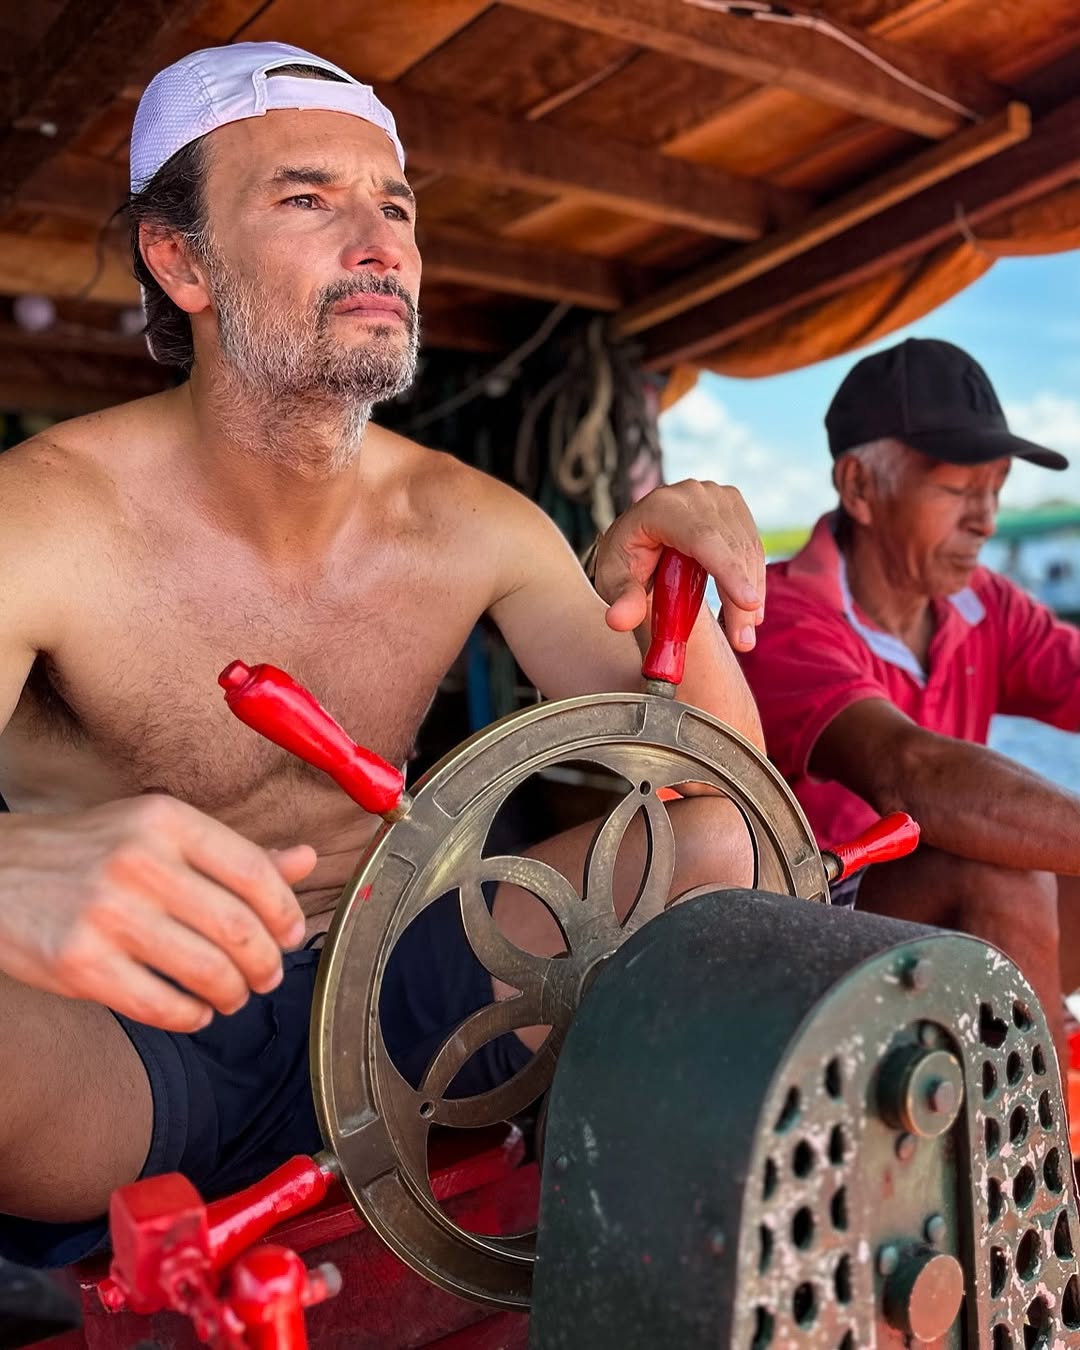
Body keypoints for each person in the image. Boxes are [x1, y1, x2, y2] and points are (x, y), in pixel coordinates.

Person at [0, 41, 766, 1266]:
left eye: (395, 205)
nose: (381, 243)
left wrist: (678, 567)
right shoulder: (37, 517)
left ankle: (646, 1254)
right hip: (123, 1051)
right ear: (179, 259)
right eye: (308, 198)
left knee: (712, 851)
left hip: (405, 990)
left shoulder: (477, 520)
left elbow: (731, 802)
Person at [739, 337, 1080, 1063]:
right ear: (860, 485)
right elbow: (910, 772)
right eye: (959, 491)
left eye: (995, 489)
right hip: (806, 938)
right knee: (1002, 868)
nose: (986, 520)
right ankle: (1039, 1150)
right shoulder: (779, 615)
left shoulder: (983, 604)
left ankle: (1037, 1055)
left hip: (925, 917)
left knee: (1025, 855)